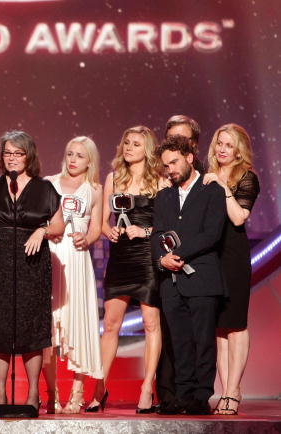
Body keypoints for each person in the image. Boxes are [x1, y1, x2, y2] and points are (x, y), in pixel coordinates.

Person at [0, 130, 64, 413]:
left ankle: (33, 394)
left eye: (17, 153)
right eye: (7, 153)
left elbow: (58, 226)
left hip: (32, 265)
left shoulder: (44, 188)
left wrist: (41, 231)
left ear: (28, 156)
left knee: (31, 329)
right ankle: (0, 395)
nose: (12, 158)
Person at [88, 126, 165, 413]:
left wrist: (143, 231)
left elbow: (169, 224)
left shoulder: (159, 180)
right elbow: (101, 222)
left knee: (150, 324)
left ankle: (147, 389)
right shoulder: (113, 178)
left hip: (147, 258)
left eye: (136, 144)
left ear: (147, 149)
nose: (129, 147)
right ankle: (99, 388)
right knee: (110, 325)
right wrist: (109, 232)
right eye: (126, 143)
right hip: (119, 258)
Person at [152, 134, 226, 415]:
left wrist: (178, 254)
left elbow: (212, 234)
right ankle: (182, 395)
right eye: (166, 165)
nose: (169, 169)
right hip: (171, 282)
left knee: (202, 340)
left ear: (189, 158)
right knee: (180, 342)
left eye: (173, 162)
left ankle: (201, 396)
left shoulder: (211, 191)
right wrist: (162, 258)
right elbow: (158, 233)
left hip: (202, 278)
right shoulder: (163, 195)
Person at [41, 136, 103, 414]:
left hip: (77, 263)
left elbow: (97, 227)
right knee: (49, 331)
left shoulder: (95, 190)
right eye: (69, 154)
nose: (73, 159)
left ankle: (77, 393)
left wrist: (87, 239)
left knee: (78, 325)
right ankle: (51, 392)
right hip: (51, 259)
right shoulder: (48, 183)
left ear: (90, 160)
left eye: (79, 155)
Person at [203, 124, 260, 415]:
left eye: (228, 145)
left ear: (239, 150)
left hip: (234, 257)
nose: (222, 149)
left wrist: (223, 187)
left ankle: (233, 390)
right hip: (209, 257)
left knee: (235, 323)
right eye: (219, 143)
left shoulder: (247, 178)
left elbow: (238, 218)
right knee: (218, 328)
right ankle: (224, 391)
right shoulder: (204, 178)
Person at [157, 114, 202, 411]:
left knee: (196, 335)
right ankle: (169, 395)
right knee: (168, 332)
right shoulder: (163, 180)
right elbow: (159, 226)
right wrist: (161, 257)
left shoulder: (207, 180)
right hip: (166, 267)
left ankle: (195, 395)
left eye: (182, 139)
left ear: (193, 148)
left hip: (198, 267)